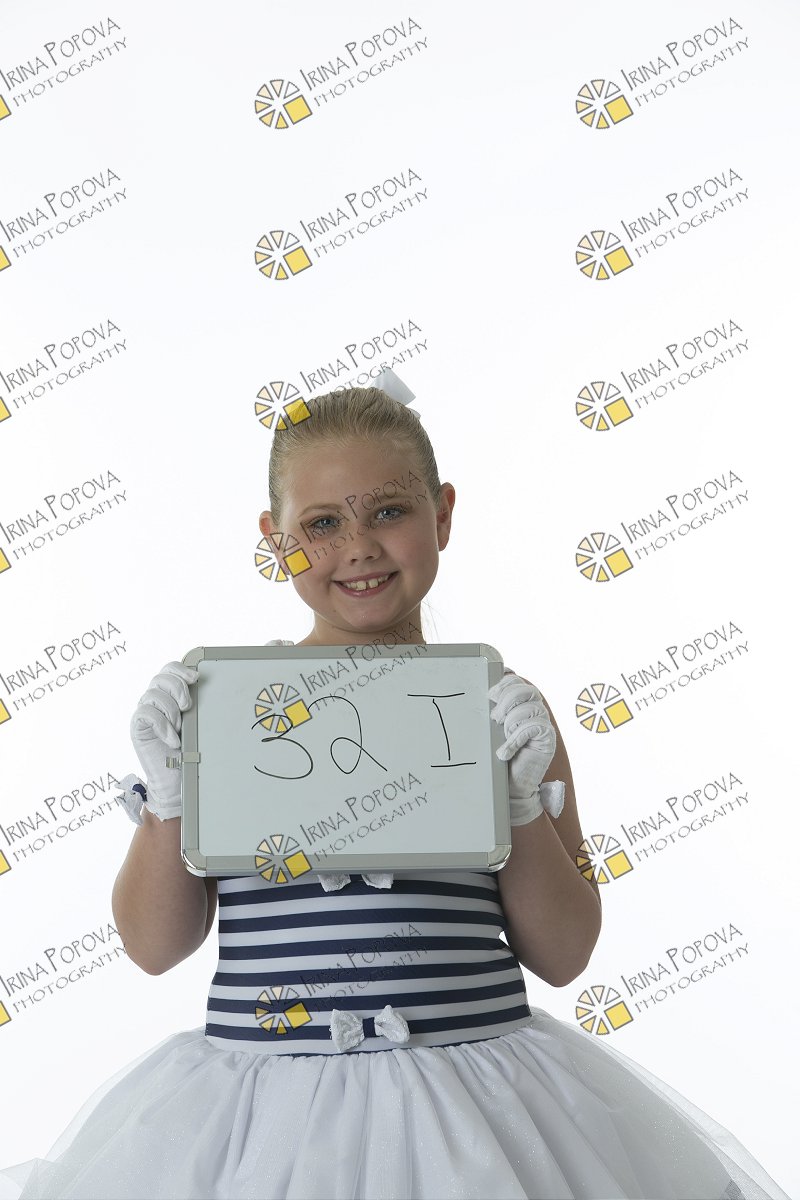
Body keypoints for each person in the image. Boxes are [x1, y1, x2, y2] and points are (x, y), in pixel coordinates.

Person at [0, 370, 790, 1200]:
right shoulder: (222, 712)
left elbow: (565, 955)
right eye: (322, 523)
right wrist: (169, 801)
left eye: (388, 511)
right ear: (275, 539)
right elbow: (153, 948)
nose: (359, 547)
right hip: (265, 1121)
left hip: (481, 1119)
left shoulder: (501, 710)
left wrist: (516, 804)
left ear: (442, 514)